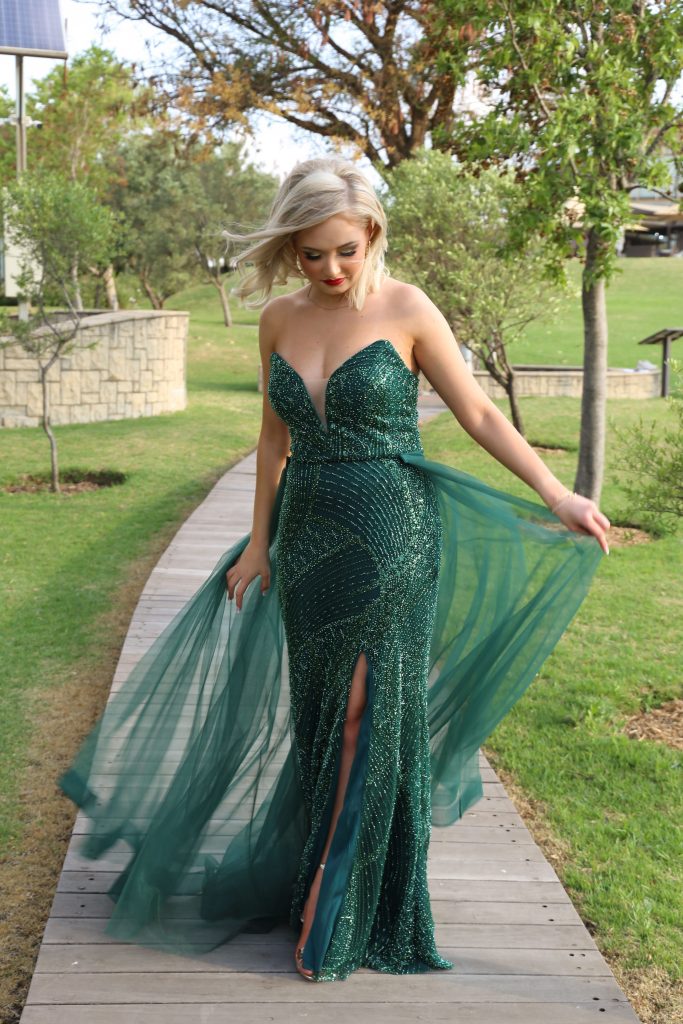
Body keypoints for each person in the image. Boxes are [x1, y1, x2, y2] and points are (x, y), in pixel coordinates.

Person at [58, 156, 609, 986]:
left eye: (345, 250)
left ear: (372, 234)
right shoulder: (277, 319)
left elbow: (477, 411)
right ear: (291, 248)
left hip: (393, 532)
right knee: (322, 713)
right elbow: (272, 440)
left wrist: (556, 493)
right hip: (308, 540)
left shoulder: (406, 308)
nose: (331, 269)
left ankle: (333, 906)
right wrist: (258, 543)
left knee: (364, 711)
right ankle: (334, 871)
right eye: (312, 254)